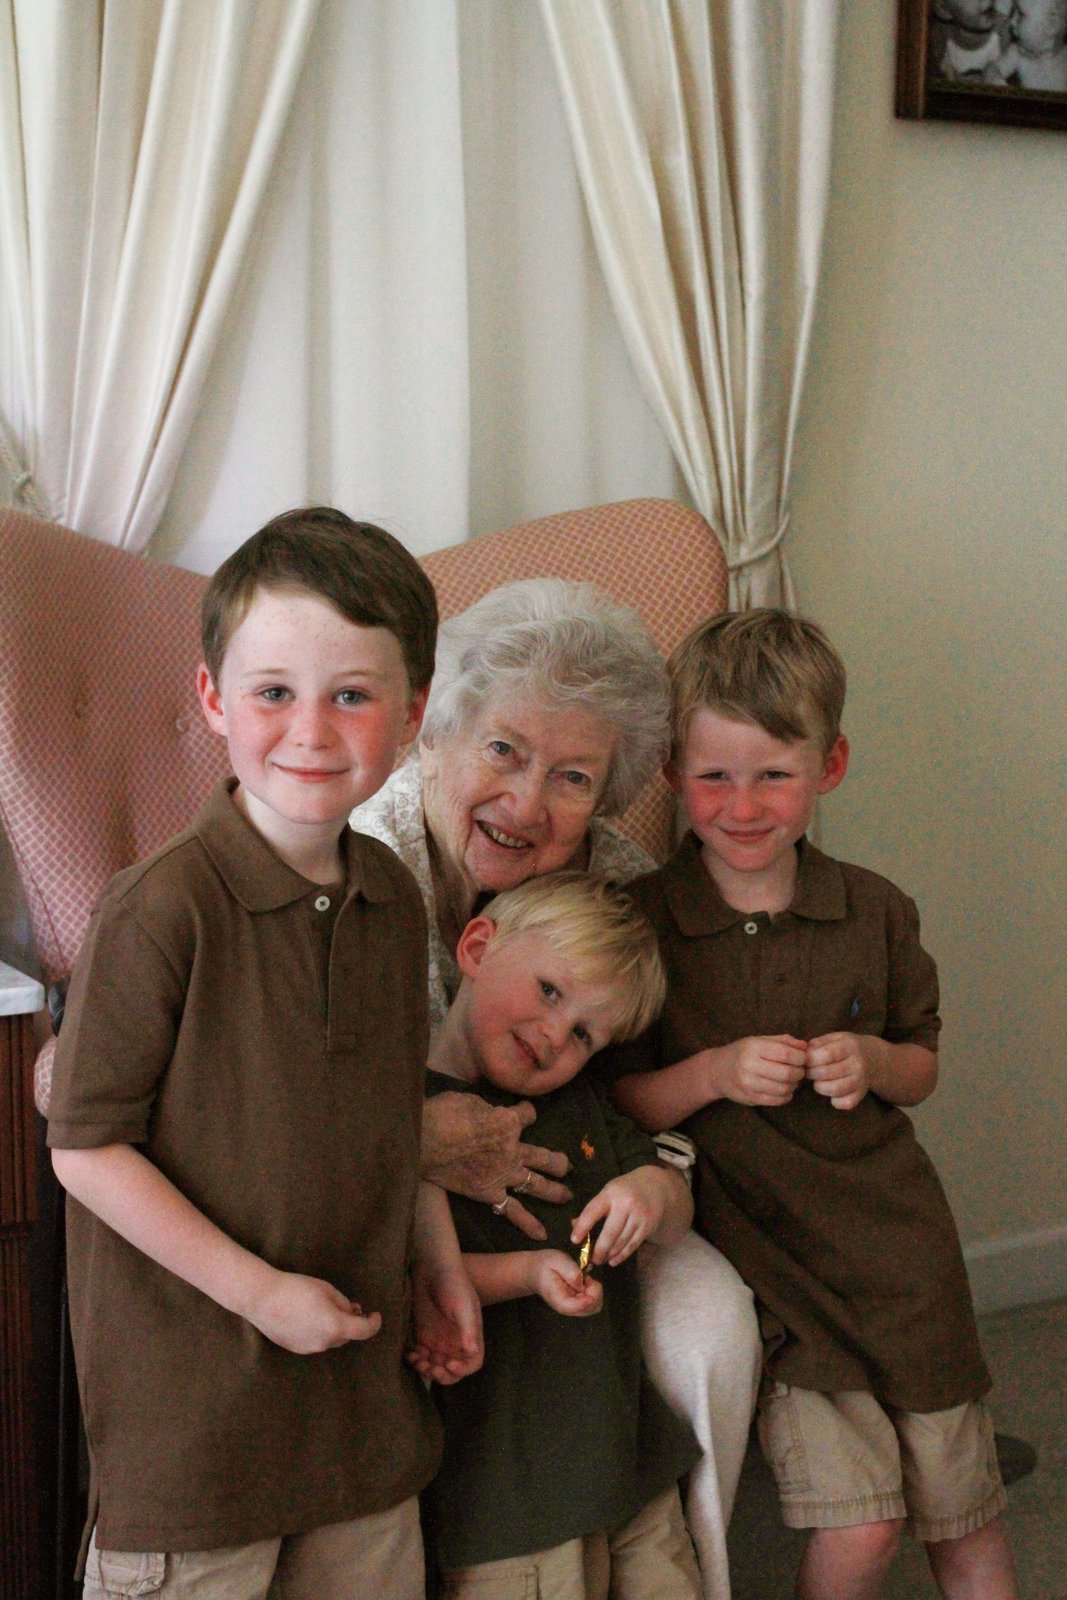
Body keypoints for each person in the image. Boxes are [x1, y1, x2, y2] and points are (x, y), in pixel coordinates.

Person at [47, 508, 483, 1600]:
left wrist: (437, 1267)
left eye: (353, 695)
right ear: (212, 698)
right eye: (274, 692)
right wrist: (257, 1293)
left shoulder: (392, 898)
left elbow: (394, 1123)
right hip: (195, 1429)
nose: (311, 731)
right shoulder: (160, 909)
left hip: (360, 1415)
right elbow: (86, 1148)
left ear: (413, 712)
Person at [353, 577, 761, 1599]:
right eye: (503, 749)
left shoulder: (616, 885)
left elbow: (637, 1092)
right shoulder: (351, 867)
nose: (529, 803)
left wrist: (660, 1177)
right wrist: (410, 1138)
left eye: (572, 776)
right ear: (435, 734)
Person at [606, 609, 1018, 1600]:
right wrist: (711, 1073)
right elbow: (618, 1097)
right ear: (671, 771)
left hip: (902, 1260)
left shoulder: (875, 909)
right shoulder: (642, 923)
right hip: (778, 1281)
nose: (742, 805)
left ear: (828, 766)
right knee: (864, 1526)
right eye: (713, 775)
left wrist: (870, 1061)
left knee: (965, 1514)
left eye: (773, 775)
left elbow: (919, 1066)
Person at [419, 871, 702, 1598]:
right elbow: (410, 1279)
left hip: (626, 1452)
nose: (553, 1037)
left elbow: (676, 1208)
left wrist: (651, 1191)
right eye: (548, 991)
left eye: (583, 1035)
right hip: (504, 1488)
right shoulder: (409, 1122)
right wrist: (528, 1273)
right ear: (476, 947)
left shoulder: (581, 1107)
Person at [988, 0, 1067, 88]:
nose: (1012, 21)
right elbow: (992, 69)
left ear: (1052, 25)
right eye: (1013, 12)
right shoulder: (1017, 53)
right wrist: (995, 79)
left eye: (1021, 14)